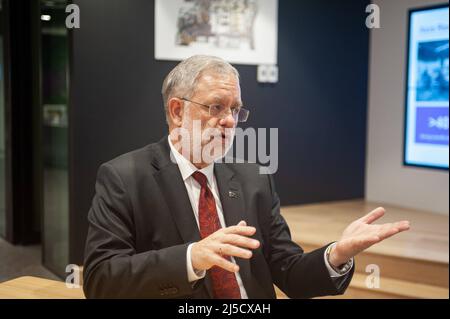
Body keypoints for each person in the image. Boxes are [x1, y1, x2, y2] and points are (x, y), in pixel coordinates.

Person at [83, 55, 410, 299]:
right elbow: (100, 279)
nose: (229, 121)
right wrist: (191, 257)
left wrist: (337, 254)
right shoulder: (124, 178)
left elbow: (288, 270)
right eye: (215, 107)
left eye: (235, 109)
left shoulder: (254, 179)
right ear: (177, 111)